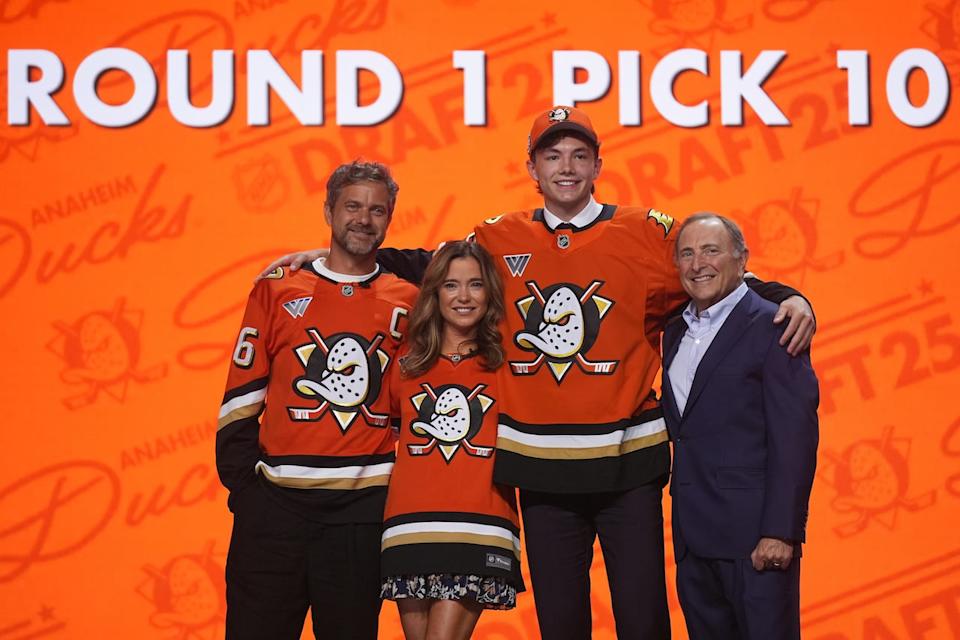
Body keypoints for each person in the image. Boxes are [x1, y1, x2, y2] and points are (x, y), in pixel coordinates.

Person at [258, 106, 816, 639]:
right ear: (532, 169)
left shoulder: (645, 231)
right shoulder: (501, 235)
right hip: (544, 472)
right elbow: (436, 264)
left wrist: (788, 296)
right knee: (561, 624)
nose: (566, 167)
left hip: (629, 469)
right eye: (553, 157)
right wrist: (327, 259)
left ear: (598, 166)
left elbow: (713, 271)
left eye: (579, 155)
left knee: (644, 622)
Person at [216, 161, 418, 640]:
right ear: (328, 210)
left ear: (389, 221)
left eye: (377, 210)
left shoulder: (408, 299)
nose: (364, 220)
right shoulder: (276, 288)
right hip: (272, 516)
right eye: (352, 206)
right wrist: (247, 494)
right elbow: (241, 396)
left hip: (361, 518)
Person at [661, 213, 818, 640]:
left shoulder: (775, 324)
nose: (698, 264)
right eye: (687, 254)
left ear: (742, 258)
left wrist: (780, 532)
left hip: (754, 540)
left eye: (711, 250)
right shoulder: (673, 331)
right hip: (694, 540)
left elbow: (795, 439)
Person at [381, 240, 524, 640]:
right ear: (434, 293)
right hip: (409, 524)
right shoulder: (405, 364)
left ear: (490, 292)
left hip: (479, 524)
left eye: (475, 285)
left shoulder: (508, 364)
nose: (463, 297)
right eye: (450, 285)